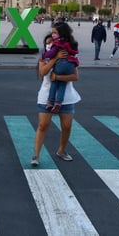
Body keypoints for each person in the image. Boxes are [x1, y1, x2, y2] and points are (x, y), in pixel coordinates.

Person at [31, 34, 81, 166]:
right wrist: (55, 59)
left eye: (52, 42)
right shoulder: (44, 59)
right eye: (48, 43)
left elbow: (75, 77)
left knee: (66, 126)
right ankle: (36, 155)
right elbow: (43, 73)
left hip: (67, 98)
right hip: (46, 97)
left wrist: (58, 77)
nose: (50, 44)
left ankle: (61, 150)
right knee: (43, 125)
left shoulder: (70, 57)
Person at [43, 22, 79, 113]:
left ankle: (51, 101)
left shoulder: (58, 44)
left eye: (54, 33)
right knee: (63, 84)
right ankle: (58, 102)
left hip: (60, 65)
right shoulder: (70, 43)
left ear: (61, 34)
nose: (53, 35)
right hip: (70, 65)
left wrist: (44, 55)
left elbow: (52, 53)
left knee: (54, 83)